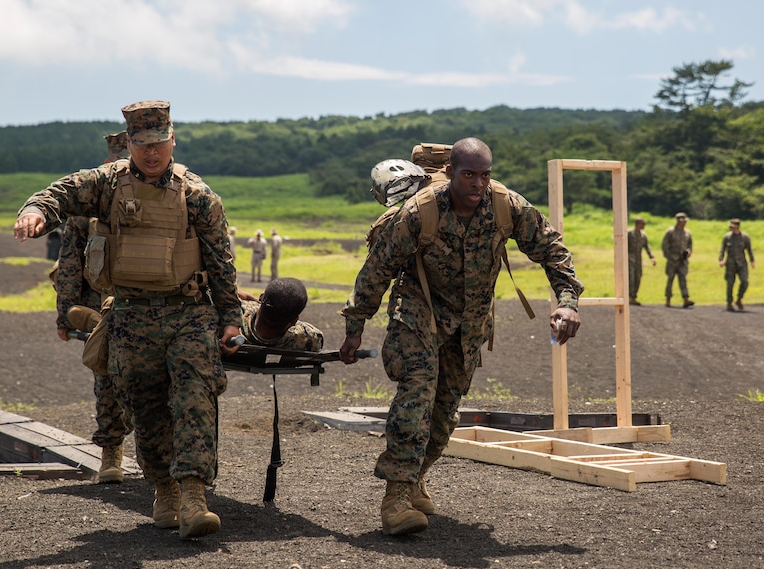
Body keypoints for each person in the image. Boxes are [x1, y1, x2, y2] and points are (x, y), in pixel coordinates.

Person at [13, 100, 242, 540]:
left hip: (188, 313)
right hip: (132, 317)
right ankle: (164, 490)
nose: (151, 153)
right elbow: (61, 191)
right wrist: (36, 211)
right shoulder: (106, 185)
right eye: (141, 144)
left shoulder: (198, 196)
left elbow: (221, 262)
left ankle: (195, 497)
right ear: (130, 144)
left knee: (195, 396)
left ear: (172, 140)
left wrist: (230, 318)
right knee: (147, 407)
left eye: (158, 143)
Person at [339, 137, 584, 536]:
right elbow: (376, 270)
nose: (477, 184)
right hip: (418, 308)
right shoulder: (420, 212)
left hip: (469, 321)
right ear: (451, 172)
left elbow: (552, 249)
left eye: (484, 175)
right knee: (417, 390)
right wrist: (355, 328)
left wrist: (568, 302)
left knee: (445, 411)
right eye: (469, 174)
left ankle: (417, 476)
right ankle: (396, 497)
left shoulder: (507, 206)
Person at [51, 132, 133, 484]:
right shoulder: (87, 210)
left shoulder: (165, 198)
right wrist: (66, 314)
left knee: (150, 383)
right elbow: (69, 262)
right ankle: (111, 454)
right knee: (106, 379)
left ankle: (152, 458)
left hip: (147, 306)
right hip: (101, 309)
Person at [240, 277, 323, 351]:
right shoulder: (309, 340)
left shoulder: (233, 322)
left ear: (261, 297)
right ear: (294, 321)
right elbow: (317, 335)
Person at [719, 218, 756, 311]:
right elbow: (722, 249)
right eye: (730, 227)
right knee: (730, 284)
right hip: (730, 264)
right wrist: (721, 260)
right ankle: (729, 302)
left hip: (742, 263)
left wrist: (752, 260)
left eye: (733, 227)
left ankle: (739, 299)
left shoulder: (745, 237)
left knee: (745, 281)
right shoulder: (727, 237)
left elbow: (749, 250)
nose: (731, 228)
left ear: (738, 227)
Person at [661, 212, 694, 308]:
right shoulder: (670, 232)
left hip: (682, 261)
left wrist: (689, 252)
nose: (684, 223)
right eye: (682, 221)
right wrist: (669, 256)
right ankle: (668, 299)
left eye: (685, 221)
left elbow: (690, 245)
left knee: (683, 280)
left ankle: (686, 299)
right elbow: (665, 245)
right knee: (670, 279)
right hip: (672, 260)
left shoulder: (687, 233)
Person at [626, 216, 656, 306]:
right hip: (630, 258)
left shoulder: (643, 235)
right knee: (630, 278)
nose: (644, 225)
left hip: (638, 259)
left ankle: (634, 296)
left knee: (638, 277)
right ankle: (629, 297)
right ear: (638, 224)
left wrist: (652, 257)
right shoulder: (629, 234)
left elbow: (647, 247)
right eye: (643, 223)